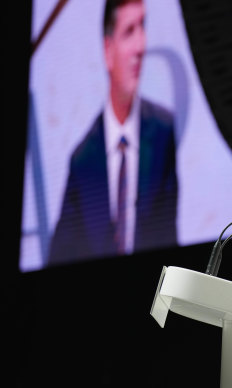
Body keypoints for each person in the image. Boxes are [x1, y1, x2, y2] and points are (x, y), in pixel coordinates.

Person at [48, 0, 178, 266]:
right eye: (129, 31)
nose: (141, 46)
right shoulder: (82, 159)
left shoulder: (163, 132)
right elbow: (58, 258)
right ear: (108, 50)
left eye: (143, 27)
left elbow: (169, 238)